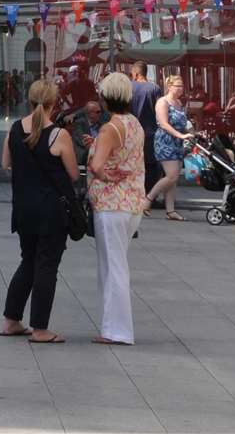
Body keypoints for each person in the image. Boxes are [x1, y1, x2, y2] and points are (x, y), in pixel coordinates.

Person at [0, 78, 78, 345]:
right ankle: (40, 329)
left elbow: (4, 164)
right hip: (50, 211)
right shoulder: (59, 134)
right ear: (53, 103)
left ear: (31, 101)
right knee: (46, 266)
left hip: (23, 208)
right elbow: (73, 174)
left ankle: (11, 320)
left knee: (28, 261)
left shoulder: (14, 129)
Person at [87, 71, 145, 346]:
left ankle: (117, 330)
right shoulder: (134, 123)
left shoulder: (110, 128)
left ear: (107, 98)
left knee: (112, 267)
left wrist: (104, 175)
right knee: (116, 264)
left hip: (111, 203)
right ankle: (113, 327)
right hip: (132, 202)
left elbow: (97, 166)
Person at [145, 74, 192, 220]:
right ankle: (147, 199)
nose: (180, 89)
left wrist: (190, 132)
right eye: (177, 86)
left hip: (178, 142)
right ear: (169, 86)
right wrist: (181, 135)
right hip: (165, 141)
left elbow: (185, 123)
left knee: (173, 178)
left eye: (182, 86)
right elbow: (163, 123)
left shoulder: (178, 103)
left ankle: (170, 210)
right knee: (172, 175)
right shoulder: (162, 102)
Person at [128, 61, 164, 196]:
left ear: (136, 74)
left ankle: (133, 194)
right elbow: (160, 111)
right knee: (150, 165)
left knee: (132, 164)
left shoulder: (128, 88)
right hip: (150, 133)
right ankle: (148, 196)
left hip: (131, 132)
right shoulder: (154, 88)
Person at [67, 99, 105, 167]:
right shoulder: (79, 124)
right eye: (98, 112)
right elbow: (84, 142)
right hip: (84, 159)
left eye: (101, 111)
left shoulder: (101, 125)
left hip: (99, 158)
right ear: (90, 113)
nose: (100, 114)